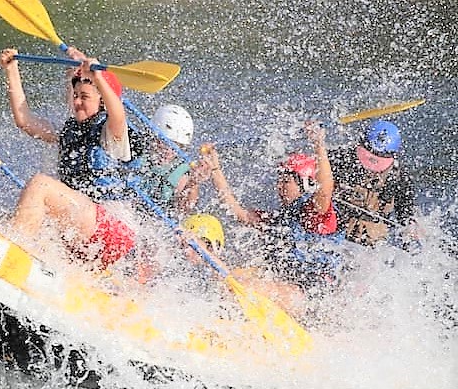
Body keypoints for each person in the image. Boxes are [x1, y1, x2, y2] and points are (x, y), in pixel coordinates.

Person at [0, 47, 139, 270]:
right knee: (34, 221)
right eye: (75, 96)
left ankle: (6, 261)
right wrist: (12, 70)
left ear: (102, 100)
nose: (77, 102)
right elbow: (25, 121)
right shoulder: (69, 131)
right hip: (84, 227)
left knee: (40, 185)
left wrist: (98, 77)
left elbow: (118, 113)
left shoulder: (112, 134)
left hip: (112, 230)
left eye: (84, 97)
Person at [203, 121, 345, 316]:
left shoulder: (315, 215)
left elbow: (325, 190)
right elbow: (238, 212)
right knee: (229, 276)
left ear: (304, 182)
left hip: (312, 297)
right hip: (288, 289)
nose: (279, 185)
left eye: (286, 180)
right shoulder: (279, 220)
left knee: (238, 284)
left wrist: (319, 145)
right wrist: (215, 169)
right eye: (279, 179)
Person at [330, 119, 418, 246]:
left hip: (373, 245)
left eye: (378, 160)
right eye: (367, 156)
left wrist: (410, 227)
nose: (371, 167)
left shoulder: (399, 178)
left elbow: (406, 213)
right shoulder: (341, 159)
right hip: (336, 235)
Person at [138, 104, 214, 217]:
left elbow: (182, 210)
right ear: (153, 135)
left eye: (177, 146)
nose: (169, 151)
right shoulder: (137, 148)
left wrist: (193, 183)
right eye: (165, 142)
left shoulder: (181, 171)